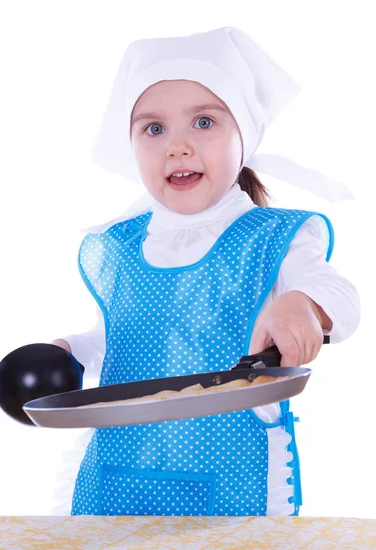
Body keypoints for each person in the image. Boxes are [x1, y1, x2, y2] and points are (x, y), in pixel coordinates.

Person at [51, 26, 360, 517]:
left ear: (245, 134)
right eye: (154, 129)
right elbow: (123, 341)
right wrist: (64, 352)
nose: (177, 146)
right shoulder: (120, 244)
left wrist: (304, 303)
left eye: (203, 122)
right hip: (114, 477)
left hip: (230, 482)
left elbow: (337, 294)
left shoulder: (274, 237)